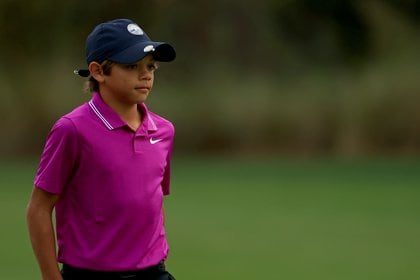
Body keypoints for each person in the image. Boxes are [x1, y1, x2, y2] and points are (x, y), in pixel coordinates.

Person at [26, 18, 177, 280]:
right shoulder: (72, 129)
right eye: (132, 66)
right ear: (98, 71)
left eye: (151, 66)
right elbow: (38, 209)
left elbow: (150, 203)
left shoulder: (163, 131)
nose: (146, 75)